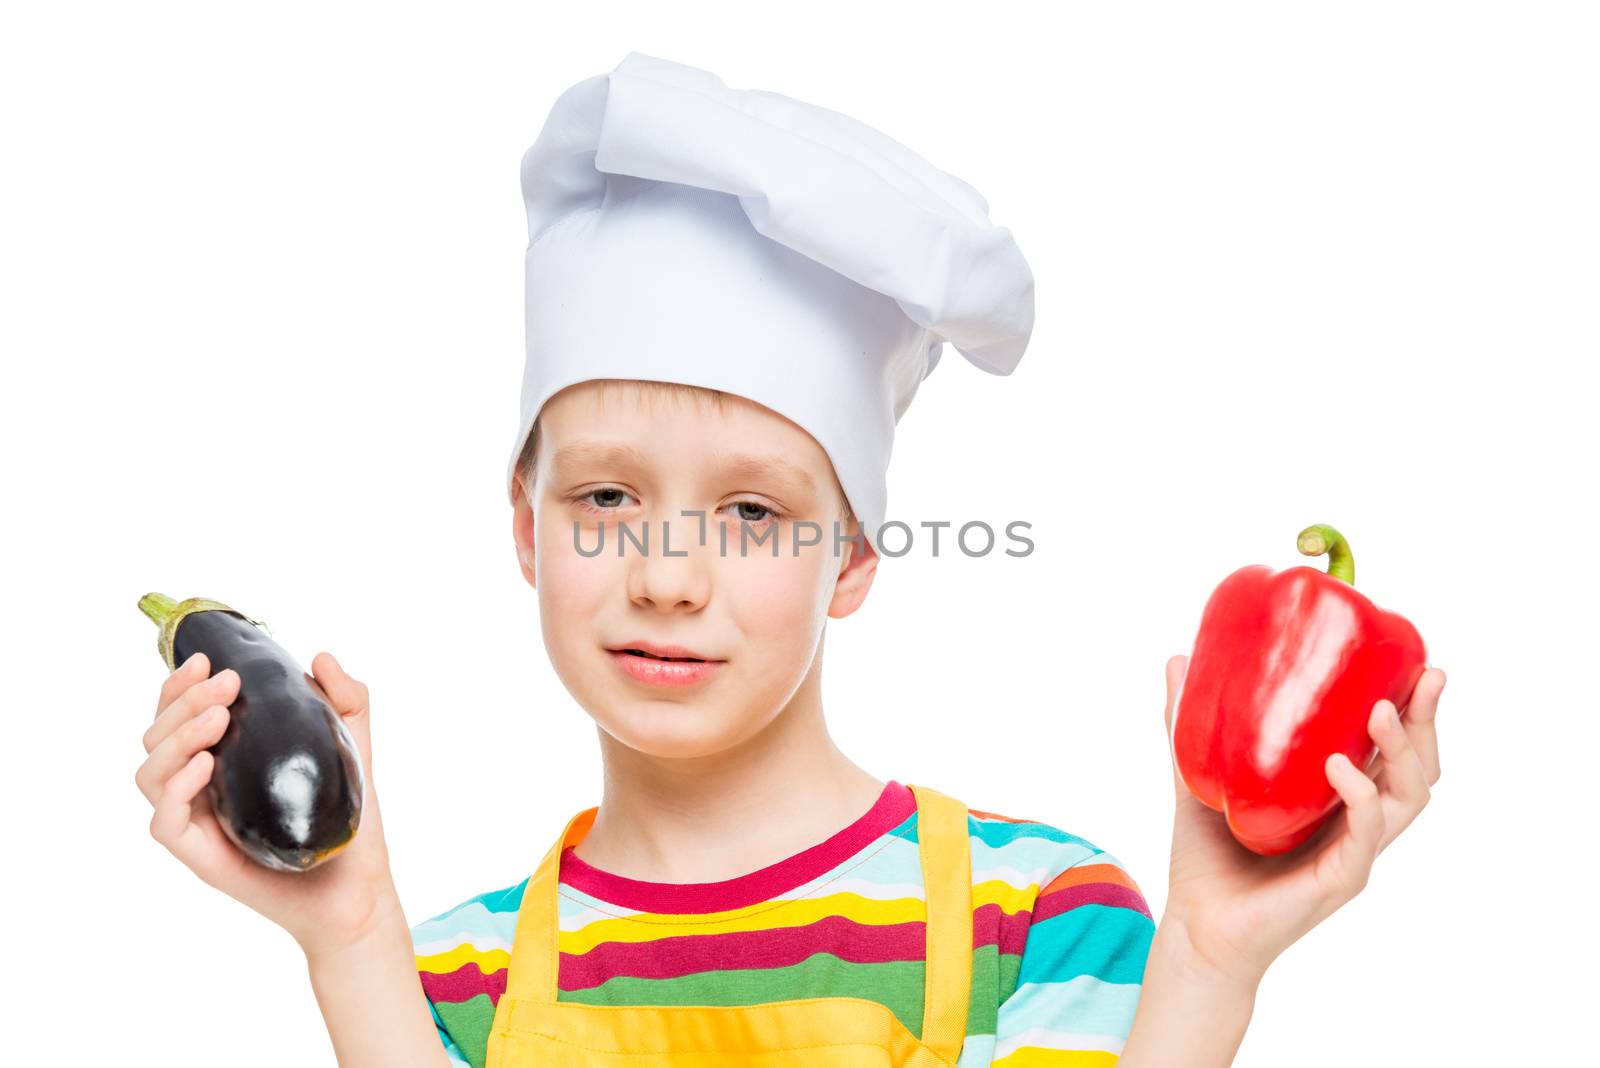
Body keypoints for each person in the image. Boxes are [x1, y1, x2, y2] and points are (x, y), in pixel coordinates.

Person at [134, 53, 1446, 1068]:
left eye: (753, 516)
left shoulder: (1042, 921)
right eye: (605, 496)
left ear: (856, 557)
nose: (667, 577)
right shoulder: (453, 982)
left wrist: (1210, 966)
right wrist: (350, 938)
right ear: (528, 529)